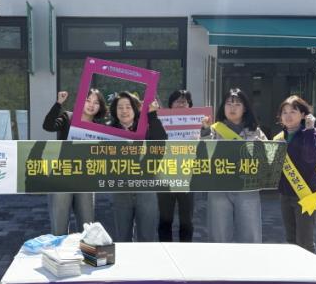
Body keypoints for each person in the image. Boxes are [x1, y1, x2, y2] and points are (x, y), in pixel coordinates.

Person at [201, 88, 267, 243]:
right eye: (229, 104)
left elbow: (266, 157)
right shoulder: (213, 129)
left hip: (247, 186)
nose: (232, 108)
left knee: (250, 235)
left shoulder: (255, 131)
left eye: (237, 104)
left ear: (245, 108)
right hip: (219, 186)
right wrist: (205, 131)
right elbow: (202, 155)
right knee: (219, 235)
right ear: (223, 107)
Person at [42, 89, 108, 234]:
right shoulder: (68, 117)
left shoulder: (100, 128)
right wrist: (58, 103)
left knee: (87, 227)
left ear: (100, 107)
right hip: (61, 176)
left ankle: (85, 250)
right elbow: (47, 126)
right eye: (88, 100)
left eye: (96, 102)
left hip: (85, 179)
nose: (91, 105)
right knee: (59, 229)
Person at [109, 91, 167, 242]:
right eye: (120, 107)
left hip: (146, 187)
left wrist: (152, 115)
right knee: (122, 237)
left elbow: (161, 142)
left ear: (135, 109)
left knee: (147, 237)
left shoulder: (146, 127)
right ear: (115, 110)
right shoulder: (108, 130)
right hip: (121, 189)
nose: (124, 111)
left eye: (128, 107)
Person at [274, 95, 316, 253]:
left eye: (293, 111)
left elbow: (311, 159)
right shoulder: (279, 137)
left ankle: (308, 268)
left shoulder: (311, 133)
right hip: (286, 194)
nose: (288, 116)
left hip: (306, 194)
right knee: (291, 239)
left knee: (304, 241)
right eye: (284, 112)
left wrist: (309, 130)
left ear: (303, 114)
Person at [157, 90, 196, 242]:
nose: (180, 104)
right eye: (177, 101)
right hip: (165, 176)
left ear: (190, 106)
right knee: (165, 219)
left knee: (187, 220)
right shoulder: (161, 122)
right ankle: (165, 248)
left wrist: (205, 130)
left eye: (184, 101)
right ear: (170, 105)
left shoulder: (197, 123)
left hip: (188, 177)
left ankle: (185, 250)